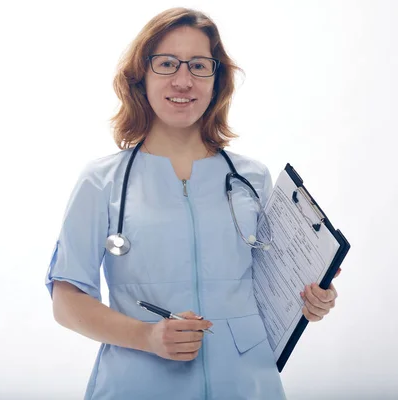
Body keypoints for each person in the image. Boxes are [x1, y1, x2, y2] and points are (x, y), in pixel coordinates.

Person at [44, 7, 340, 400]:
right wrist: (147, 336)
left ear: (216, 80)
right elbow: (66, 301)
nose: (183, 80)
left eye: (199, 65)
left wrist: (312, 299)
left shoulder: (251, 180)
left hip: (248, 386)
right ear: (141, 77)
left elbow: (275, 288)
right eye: (166, 63)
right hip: (137, 386)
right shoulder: (101, 182)